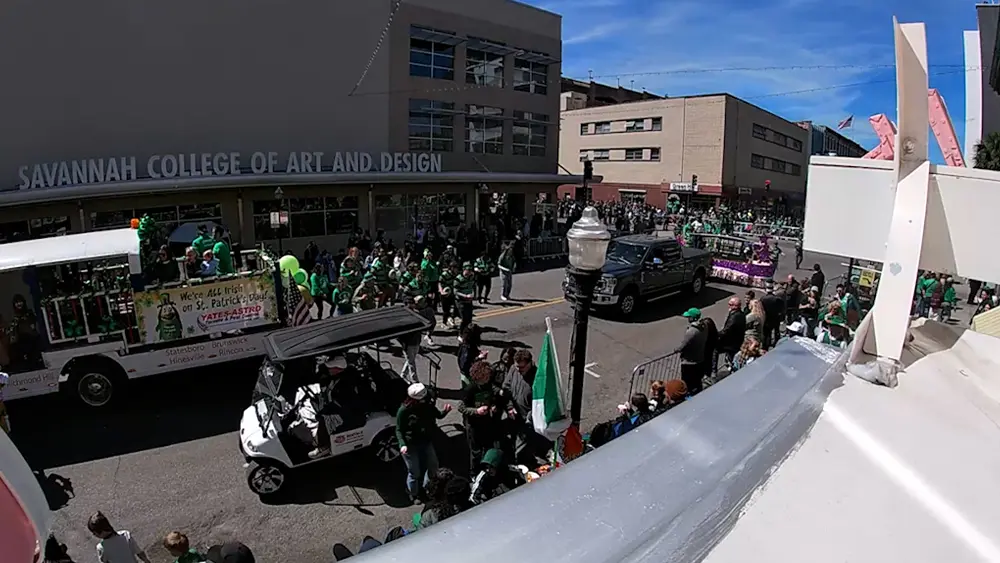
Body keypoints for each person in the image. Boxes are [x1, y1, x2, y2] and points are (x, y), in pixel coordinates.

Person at [396, 382, 451, 503]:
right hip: (410, 445)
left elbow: (438, 415)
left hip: (425, 441)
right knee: (414, 472)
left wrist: (445, 411)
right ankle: (413, 493)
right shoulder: (404, 411)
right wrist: (402, 444)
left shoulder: (427, 405)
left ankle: (428, 488)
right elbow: (399, 429)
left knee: (433, 466)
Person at [458, 361, 507, 473]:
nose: (488, 378)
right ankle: (474, 472)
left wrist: (496, 399)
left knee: (487, 446)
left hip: (487, 422)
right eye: (486, 377)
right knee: (475, 451)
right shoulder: (469, 389)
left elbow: (492, 389)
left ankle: (486, 467)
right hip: (473, 425)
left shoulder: (487, 384)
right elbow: (461, 407)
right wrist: (476, 411)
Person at [87, 511, 153, 563]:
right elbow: (139, 552)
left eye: (94, 533)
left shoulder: (101, 547)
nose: (93, 535)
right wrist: (146, 560)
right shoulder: (125, 535)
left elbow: (104, 561)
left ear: (102, 531)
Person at [674, 308, 707, 394]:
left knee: (687, 383)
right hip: (700, 359)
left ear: (693, 318)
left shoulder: (691, 331)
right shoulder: (704, 326)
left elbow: (683, 346)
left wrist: (676, 350)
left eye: (689, 317)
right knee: (697, 381)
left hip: (689, 362)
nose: (688, 318)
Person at [717, 297, 746, 374]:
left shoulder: (734, 317)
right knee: (732, 357)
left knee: (715, 350)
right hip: (738, 340)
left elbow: (727, 330)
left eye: (730, 304)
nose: (728, 306)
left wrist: (716, 335)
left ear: (735, 306)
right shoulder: (741, 314)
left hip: (731, 343)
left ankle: (714, 371)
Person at [456, 324, 487, 388]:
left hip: (466, 374)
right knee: (469, 389)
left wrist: (478, 353)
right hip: (468, 375)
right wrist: (479, 357)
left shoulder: (468, 344)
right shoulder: (467, 348)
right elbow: (465, 365)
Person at [759, 282, 785, 349]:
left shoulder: (762, 299)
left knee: (766, 333)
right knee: (776, 331)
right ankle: (776, 343)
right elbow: (781, 308)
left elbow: (760, 309)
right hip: (775, 318)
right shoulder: (777, 299)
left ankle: (765, 346)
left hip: (766, 318)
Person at [454, 263, 477, 337]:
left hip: (469, 300)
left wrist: (474, 294)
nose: (470, 271)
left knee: (469, 318)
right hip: (461, 301)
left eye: (471, 270)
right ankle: (460, 334)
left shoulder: (472, 277)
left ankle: (467, 333)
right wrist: (465, 296)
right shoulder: (458, 278)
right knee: (464, 319)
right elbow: (455, 292)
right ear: (464, 269)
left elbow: (474, 286)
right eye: (468, 270)